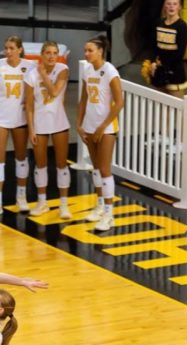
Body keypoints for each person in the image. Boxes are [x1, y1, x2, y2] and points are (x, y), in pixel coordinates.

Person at [77, 35, 124, 232]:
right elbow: (84, 99)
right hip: (89, 124)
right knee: (95, 168)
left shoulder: (110, 71)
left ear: (100, 51)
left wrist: (102, 126)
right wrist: (79, 124)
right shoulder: (88, 70)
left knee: (104, 169)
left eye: (90, 50)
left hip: (106, 128)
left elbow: (120, 102)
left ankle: (109, 213)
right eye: (85, 50)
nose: (86, 54)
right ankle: (99, 206)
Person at [0, 36, 32, 219]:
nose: (8, 51)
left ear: (20, 49)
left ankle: (21, 196)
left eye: (12, 48)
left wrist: (30, 102)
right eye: (6, 48)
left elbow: (36, 88)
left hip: (20, 118)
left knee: (21, 157)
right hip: (1, 118)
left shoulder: (30, 66)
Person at [24, 41, 72, 220]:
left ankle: (64, 204)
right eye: (48, 53)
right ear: (41, 55)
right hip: (40, 123)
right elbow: (28, 106)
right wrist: (31, 129)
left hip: (59, 122)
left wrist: (44, 75)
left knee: (61, 164)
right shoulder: (30, 75)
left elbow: (54, 92)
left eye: (55, 53)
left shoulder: (63, 69)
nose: (52, 56)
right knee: (41, 164)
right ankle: (42, 202)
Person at [146, 0, 187, 95]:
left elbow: (180, 54)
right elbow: (153, 47)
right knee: (159, 107)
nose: (171, 7)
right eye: (168, 4)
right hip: (158, 73)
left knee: (175, 108)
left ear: (179, 7)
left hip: (175, 74)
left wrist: (163, 66)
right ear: (164, 6)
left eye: (174, 4)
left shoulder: (182, 26)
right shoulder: (158, 23)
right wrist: (153, 62)